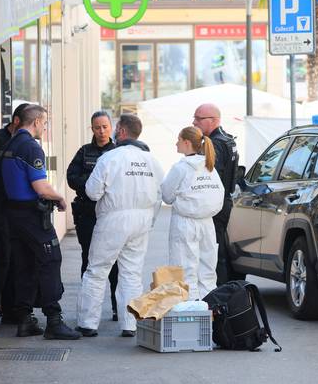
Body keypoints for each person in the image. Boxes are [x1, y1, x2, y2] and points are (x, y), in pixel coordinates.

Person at [76, 114, 163, 338]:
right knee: (132, 273)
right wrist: (150, 221)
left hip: (113, 218)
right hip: (142, 220)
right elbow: (159, 194)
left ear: (122, 131)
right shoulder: (152, 161)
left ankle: (88, 322)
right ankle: (130, 324)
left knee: (97, 270)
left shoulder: (110, 158)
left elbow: (92, 191)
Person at [1, 104, 80, 340]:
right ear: (35, 122)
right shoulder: (31, 147)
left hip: (13, 216)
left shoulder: (9, 144)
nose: (44, 128)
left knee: (24, 265)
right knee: (50, 260)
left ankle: (25, 320)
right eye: (44, 123)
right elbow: (40, 187)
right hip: (31, 217)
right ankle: (54, 321)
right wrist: (60, 199)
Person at [161, 126, 224, 300]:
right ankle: (210, 313)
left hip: (185, 223)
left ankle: (190, 313)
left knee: (184, 271)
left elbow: (166, 195)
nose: (176, 143)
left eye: (178, 140)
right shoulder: (210, 167)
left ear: (187, 143)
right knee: (208, 272)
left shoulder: (180, 168)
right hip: (207, 224)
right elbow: (220, 195)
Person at [66, 111, 118, 321]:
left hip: (110, 213)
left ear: (111, 127)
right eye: (97, 127)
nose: (101, 131)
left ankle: (117, 308)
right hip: (87, 213)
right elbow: (71, 177)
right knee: (88, 259)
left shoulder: (117, 152)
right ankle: (86, 311)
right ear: (92, 128)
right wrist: (92, 184)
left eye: (105, 126)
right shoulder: (84, 152)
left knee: (116, 262)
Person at [192, 103, 239, 285]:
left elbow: (212, 178)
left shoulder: (215, 143)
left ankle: (219, 294)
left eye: (198, 118)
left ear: (212, 121)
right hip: (224, 202)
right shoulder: (227, 139)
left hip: (215, 205)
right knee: (218, 250)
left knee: (213, 253)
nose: (194, 122)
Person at [0, 103, 29, 324]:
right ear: (16, 121)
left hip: (18, 208)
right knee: (5, 258)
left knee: (18, 258)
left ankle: (14, 308)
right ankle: (4, 307)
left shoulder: (22, 140)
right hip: (1, 206)